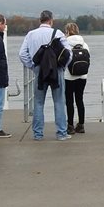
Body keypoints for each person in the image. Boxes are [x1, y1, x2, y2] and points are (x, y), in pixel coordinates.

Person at [19, 9, 71, 141]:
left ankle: (38, 134)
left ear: (40, 20)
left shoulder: (31, 34)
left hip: (39, 70)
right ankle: (61, 133)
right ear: (51, 20)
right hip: (56, 70)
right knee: (59, 101)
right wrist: (62, 67)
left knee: (38, 102)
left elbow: (22, 54)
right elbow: (68, 53)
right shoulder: (57, 33)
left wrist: (32, 66)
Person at [62, 22, 89, 133]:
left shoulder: (65, 44)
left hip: (69, 77)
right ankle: (81, 125)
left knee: (69, 101)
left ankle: (70, 126)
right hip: (82, 76)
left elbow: (62, 60)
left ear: (67, 31)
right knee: (80, 99)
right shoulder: (84, 44)